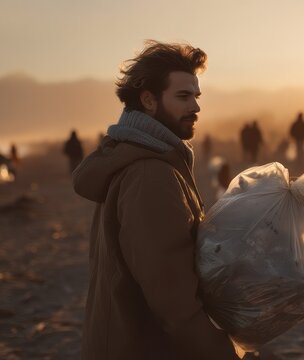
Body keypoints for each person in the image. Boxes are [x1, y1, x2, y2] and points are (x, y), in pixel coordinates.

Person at [72, 40, 241, 359]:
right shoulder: (150, 174)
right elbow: (173, 301)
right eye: (183, 96)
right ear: (148, 100)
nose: (196, 107)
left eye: (196, 95)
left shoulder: (139, 160)